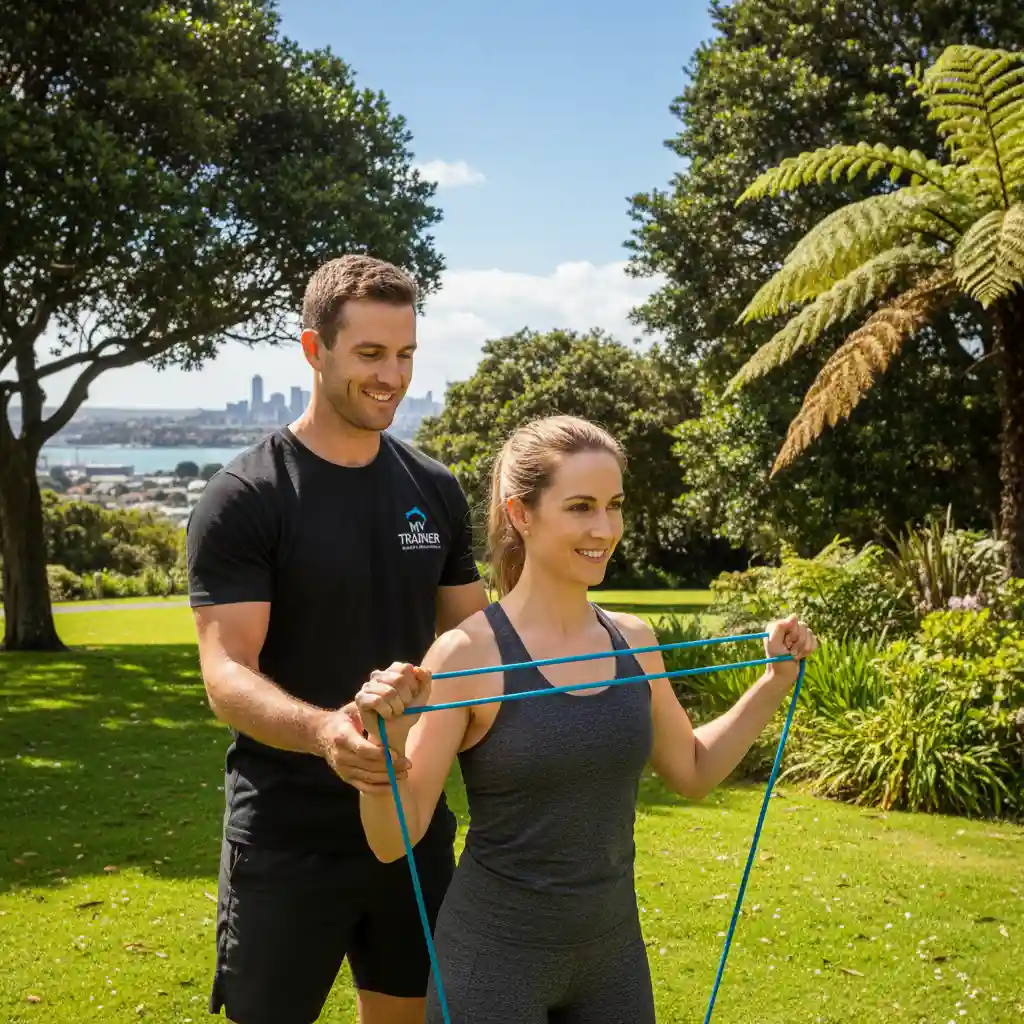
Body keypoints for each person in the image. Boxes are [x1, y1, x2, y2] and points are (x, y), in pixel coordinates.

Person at [354, 415, 817, 1024]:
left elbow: (695, 769)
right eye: (579, 507)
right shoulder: (468, 654)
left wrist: (773, 681)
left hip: (612, 958)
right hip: (493, 963)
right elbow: (393, 841)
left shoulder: (633, 638)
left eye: (614, 506)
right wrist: (386, 743)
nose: (604, 529)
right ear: (521, 513)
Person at [186, 255, 489, 1024]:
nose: (392, 376)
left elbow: (478, 644)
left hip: (410, 824)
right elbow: (226, 670)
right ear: (314, 350)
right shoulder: (247, 496)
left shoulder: (434, 489)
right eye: (370, 354)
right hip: (287, 838)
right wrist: (325, 732)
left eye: (406, 354)